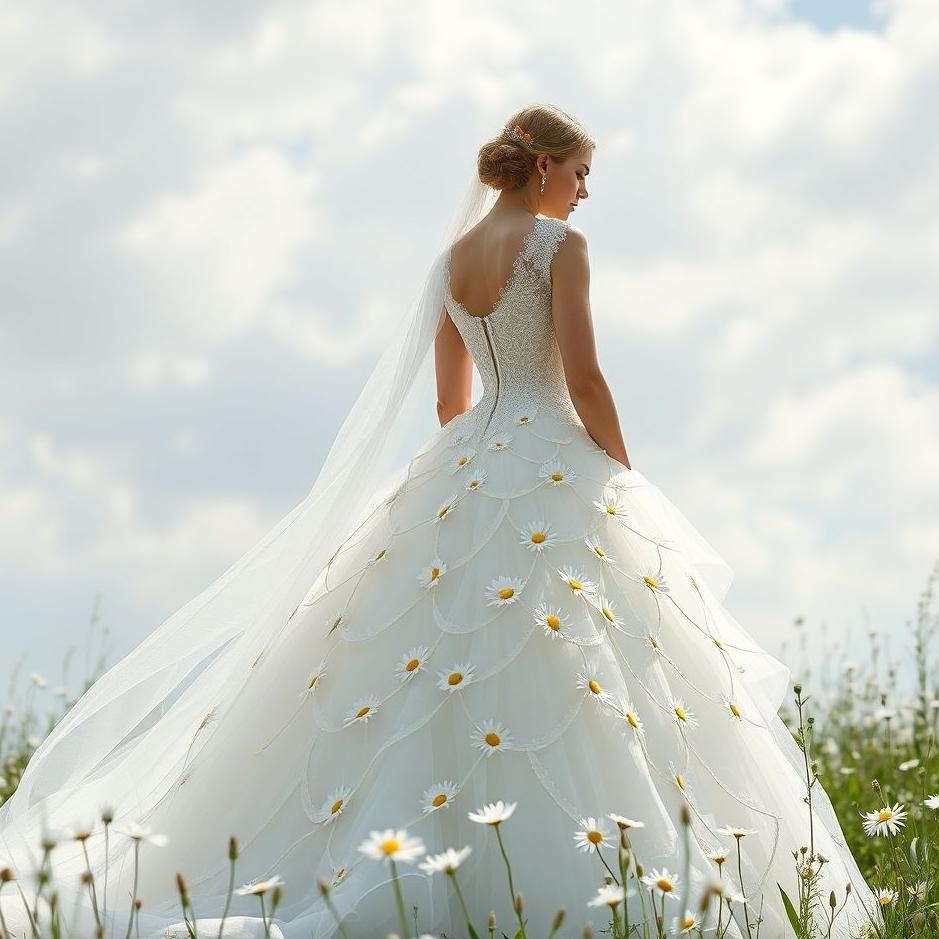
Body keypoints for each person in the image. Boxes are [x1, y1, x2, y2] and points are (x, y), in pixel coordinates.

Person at [0, 105, 879, 939]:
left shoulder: (449, 261)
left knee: (423, 661)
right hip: (548, 451)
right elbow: (584, 379)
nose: (583, 189)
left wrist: (483, 453)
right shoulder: (560, 247)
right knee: (575, 654)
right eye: (580, 171)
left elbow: (447, 400)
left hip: (471, 454)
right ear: (543, 164)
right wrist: (621, 471)